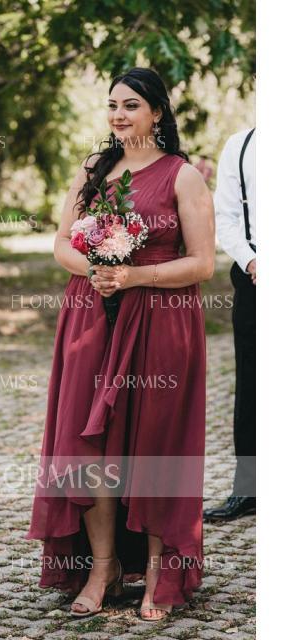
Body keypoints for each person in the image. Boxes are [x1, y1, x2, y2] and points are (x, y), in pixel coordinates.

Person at [26, 68, 215, 622]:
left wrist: (134, 276)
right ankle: (102, 567)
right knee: (85, 442)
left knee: (153, 440)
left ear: (157, 112)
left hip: (160, 319)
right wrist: (96, 269)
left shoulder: (183, 176)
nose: (118, 115)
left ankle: (158, 571)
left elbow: (202, 263)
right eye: (112, 105)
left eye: (131, 105)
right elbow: (62, 243)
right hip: (89, 316)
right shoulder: (93, 169)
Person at [204, 128, 256, 522]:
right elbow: (227, 218)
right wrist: (252, 261)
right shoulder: (239, 146)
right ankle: (249, 488)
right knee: (252, 386)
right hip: (255, 277)